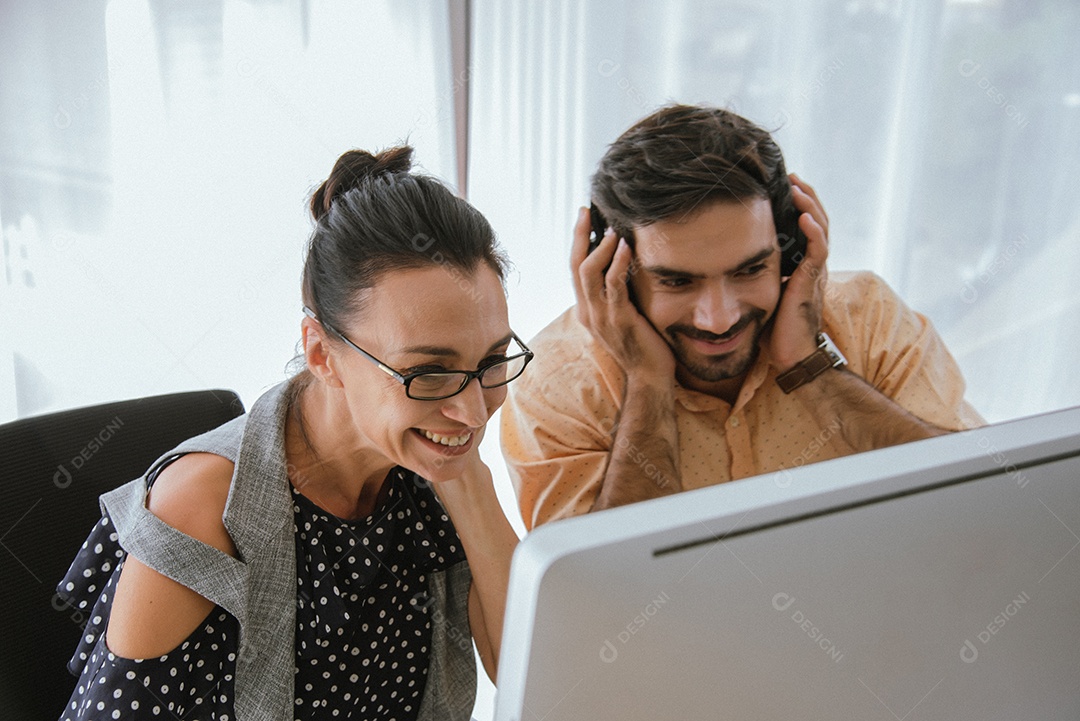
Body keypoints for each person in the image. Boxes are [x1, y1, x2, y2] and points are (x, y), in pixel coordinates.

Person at [56, 145, 527, 720]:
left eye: (492, 360)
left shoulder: (428, 469)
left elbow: (533, 673)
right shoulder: (204, 505)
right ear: (322, 355)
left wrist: (464, 475)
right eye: (429, 372)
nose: (475, 411)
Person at [501, 104, 983, 530]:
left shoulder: (869, 319)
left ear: (791, 251)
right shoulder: (556, 388)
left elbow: (979, 508)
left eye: (750, 269)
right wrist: (647, 383)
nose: (718, 319)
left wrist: (809, 366)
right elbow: (598, 603)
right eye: (677, 281)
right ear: (616, 276)